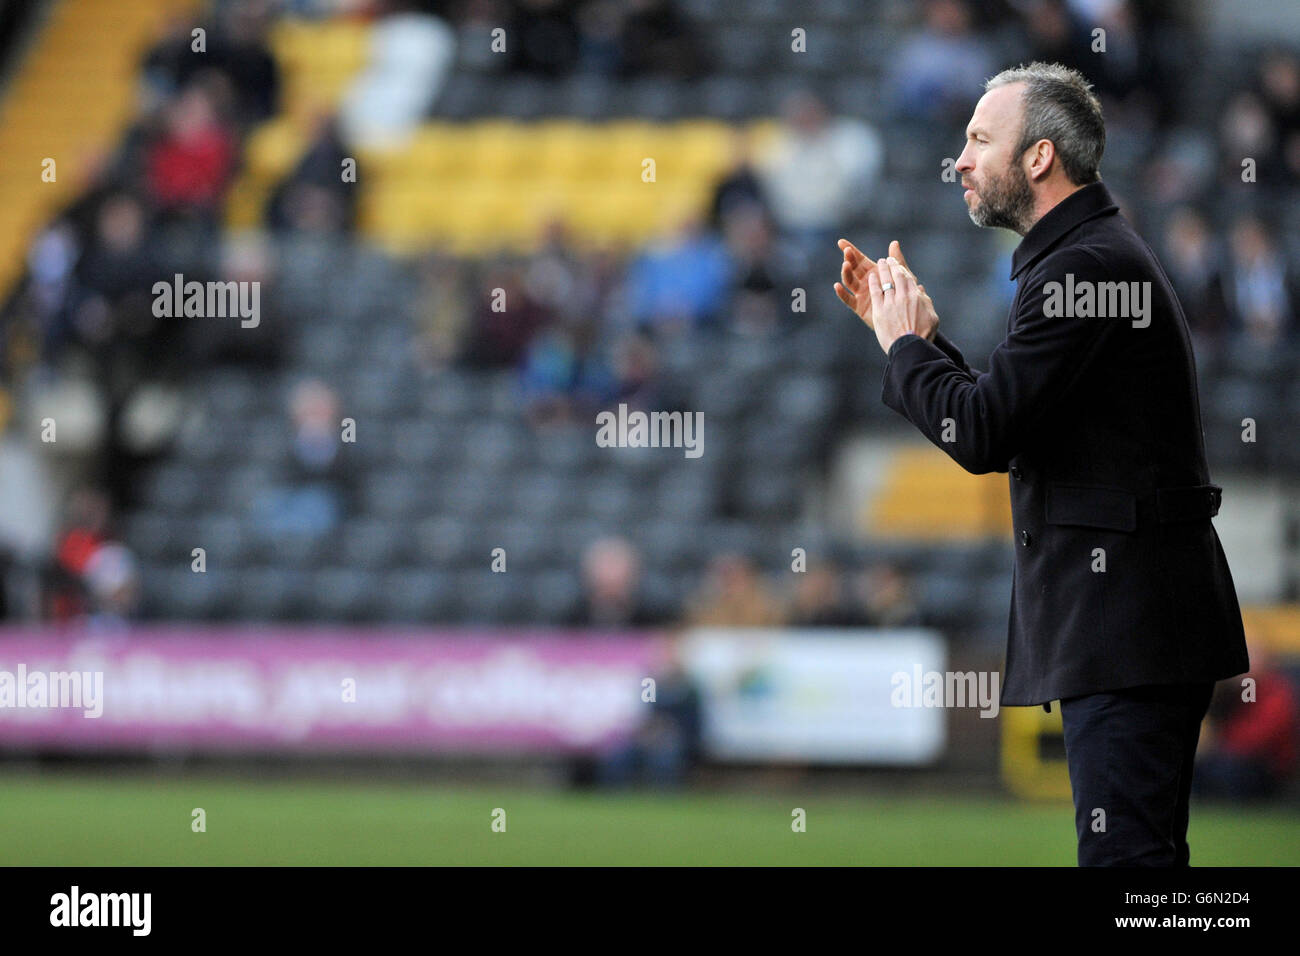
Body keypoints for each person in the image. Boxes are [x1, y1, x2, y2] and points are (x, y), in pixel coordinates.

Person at [834, 62, 1249, 866]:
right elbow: (1015, 417)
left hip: (1130, 634)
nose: (960, 159)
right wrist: (921, 343)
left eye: (979, 139)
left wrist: (907, 347)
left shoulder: (1082, 270)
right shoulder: (1084, 259)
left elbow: (983, 432)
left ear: (1038, 158)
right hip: (1136, 631)